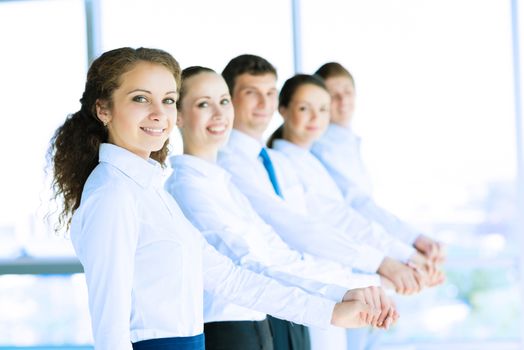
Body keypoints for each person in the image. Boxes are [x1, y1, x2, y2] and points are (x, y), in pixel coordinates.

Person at [48, 47, 379, 350]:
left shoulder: (150, 192)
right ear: (103, 109)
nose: (158, 113)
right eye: (140, 99)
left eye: (167, 100)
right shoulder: (113, 194)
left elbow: (230, 278)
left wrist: (333, 310)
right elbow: (110, 333)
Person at [166, 66, 398, 350]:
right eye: (204, 104)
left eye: (223, 101)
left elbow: (281, 256)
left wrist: (354, 287)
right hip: (229, 332)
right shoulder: (187, 187)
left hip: (261, 325)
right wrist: (335, 304)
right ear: (177, 115)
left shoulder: (223, 184)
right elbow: (247, 266)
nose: (219, 113)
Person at [216, 55, 426, 350]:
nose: (264, 104)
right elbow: (292, 229)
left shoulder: (271, 161)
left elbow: (327, 220)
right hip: (271, 302)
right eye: (251, 93)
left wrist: (372, 274)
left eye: (269, 93)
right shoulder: (231, 163)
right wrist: (379, 266)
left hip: (308, 290)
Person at [311, 62, 446, 265]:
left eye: (348, 91)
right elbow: (358, 204)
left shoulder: (344, 140)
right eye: (334, 95)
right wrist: (412, 239)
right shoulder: (324, 147)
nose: (343, 100)